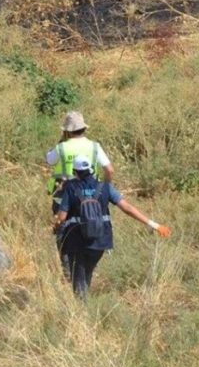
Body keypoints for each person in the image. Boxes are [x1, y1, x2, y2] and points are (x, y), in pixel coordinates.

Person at [55, 157, 171, 298]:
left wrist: (56, 225)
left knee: (78, 280)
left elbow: (61, 217)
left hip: (76, 241)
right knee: (86, 274)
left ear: (75, 171)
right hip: (100, 241)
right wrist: (154, 225)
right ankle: (84, 304)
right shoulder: (105, 187)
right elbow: (127, 208)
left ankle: (81, 314)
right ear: (92, 170)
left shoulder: (71, 188)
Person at [46, 111, 113, 276]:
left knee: (63, 231)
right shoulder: (94, 146)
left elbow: (49, 160)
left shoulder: (61, 147)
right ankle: (88, 268)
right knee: (89, 227)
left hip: (63, 196)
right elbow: (109, 169)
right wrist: (105, 188)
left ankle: (68, 271)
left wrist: (61, 141)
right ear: (84, 128)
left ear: (67, 130)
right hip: (91, 197)